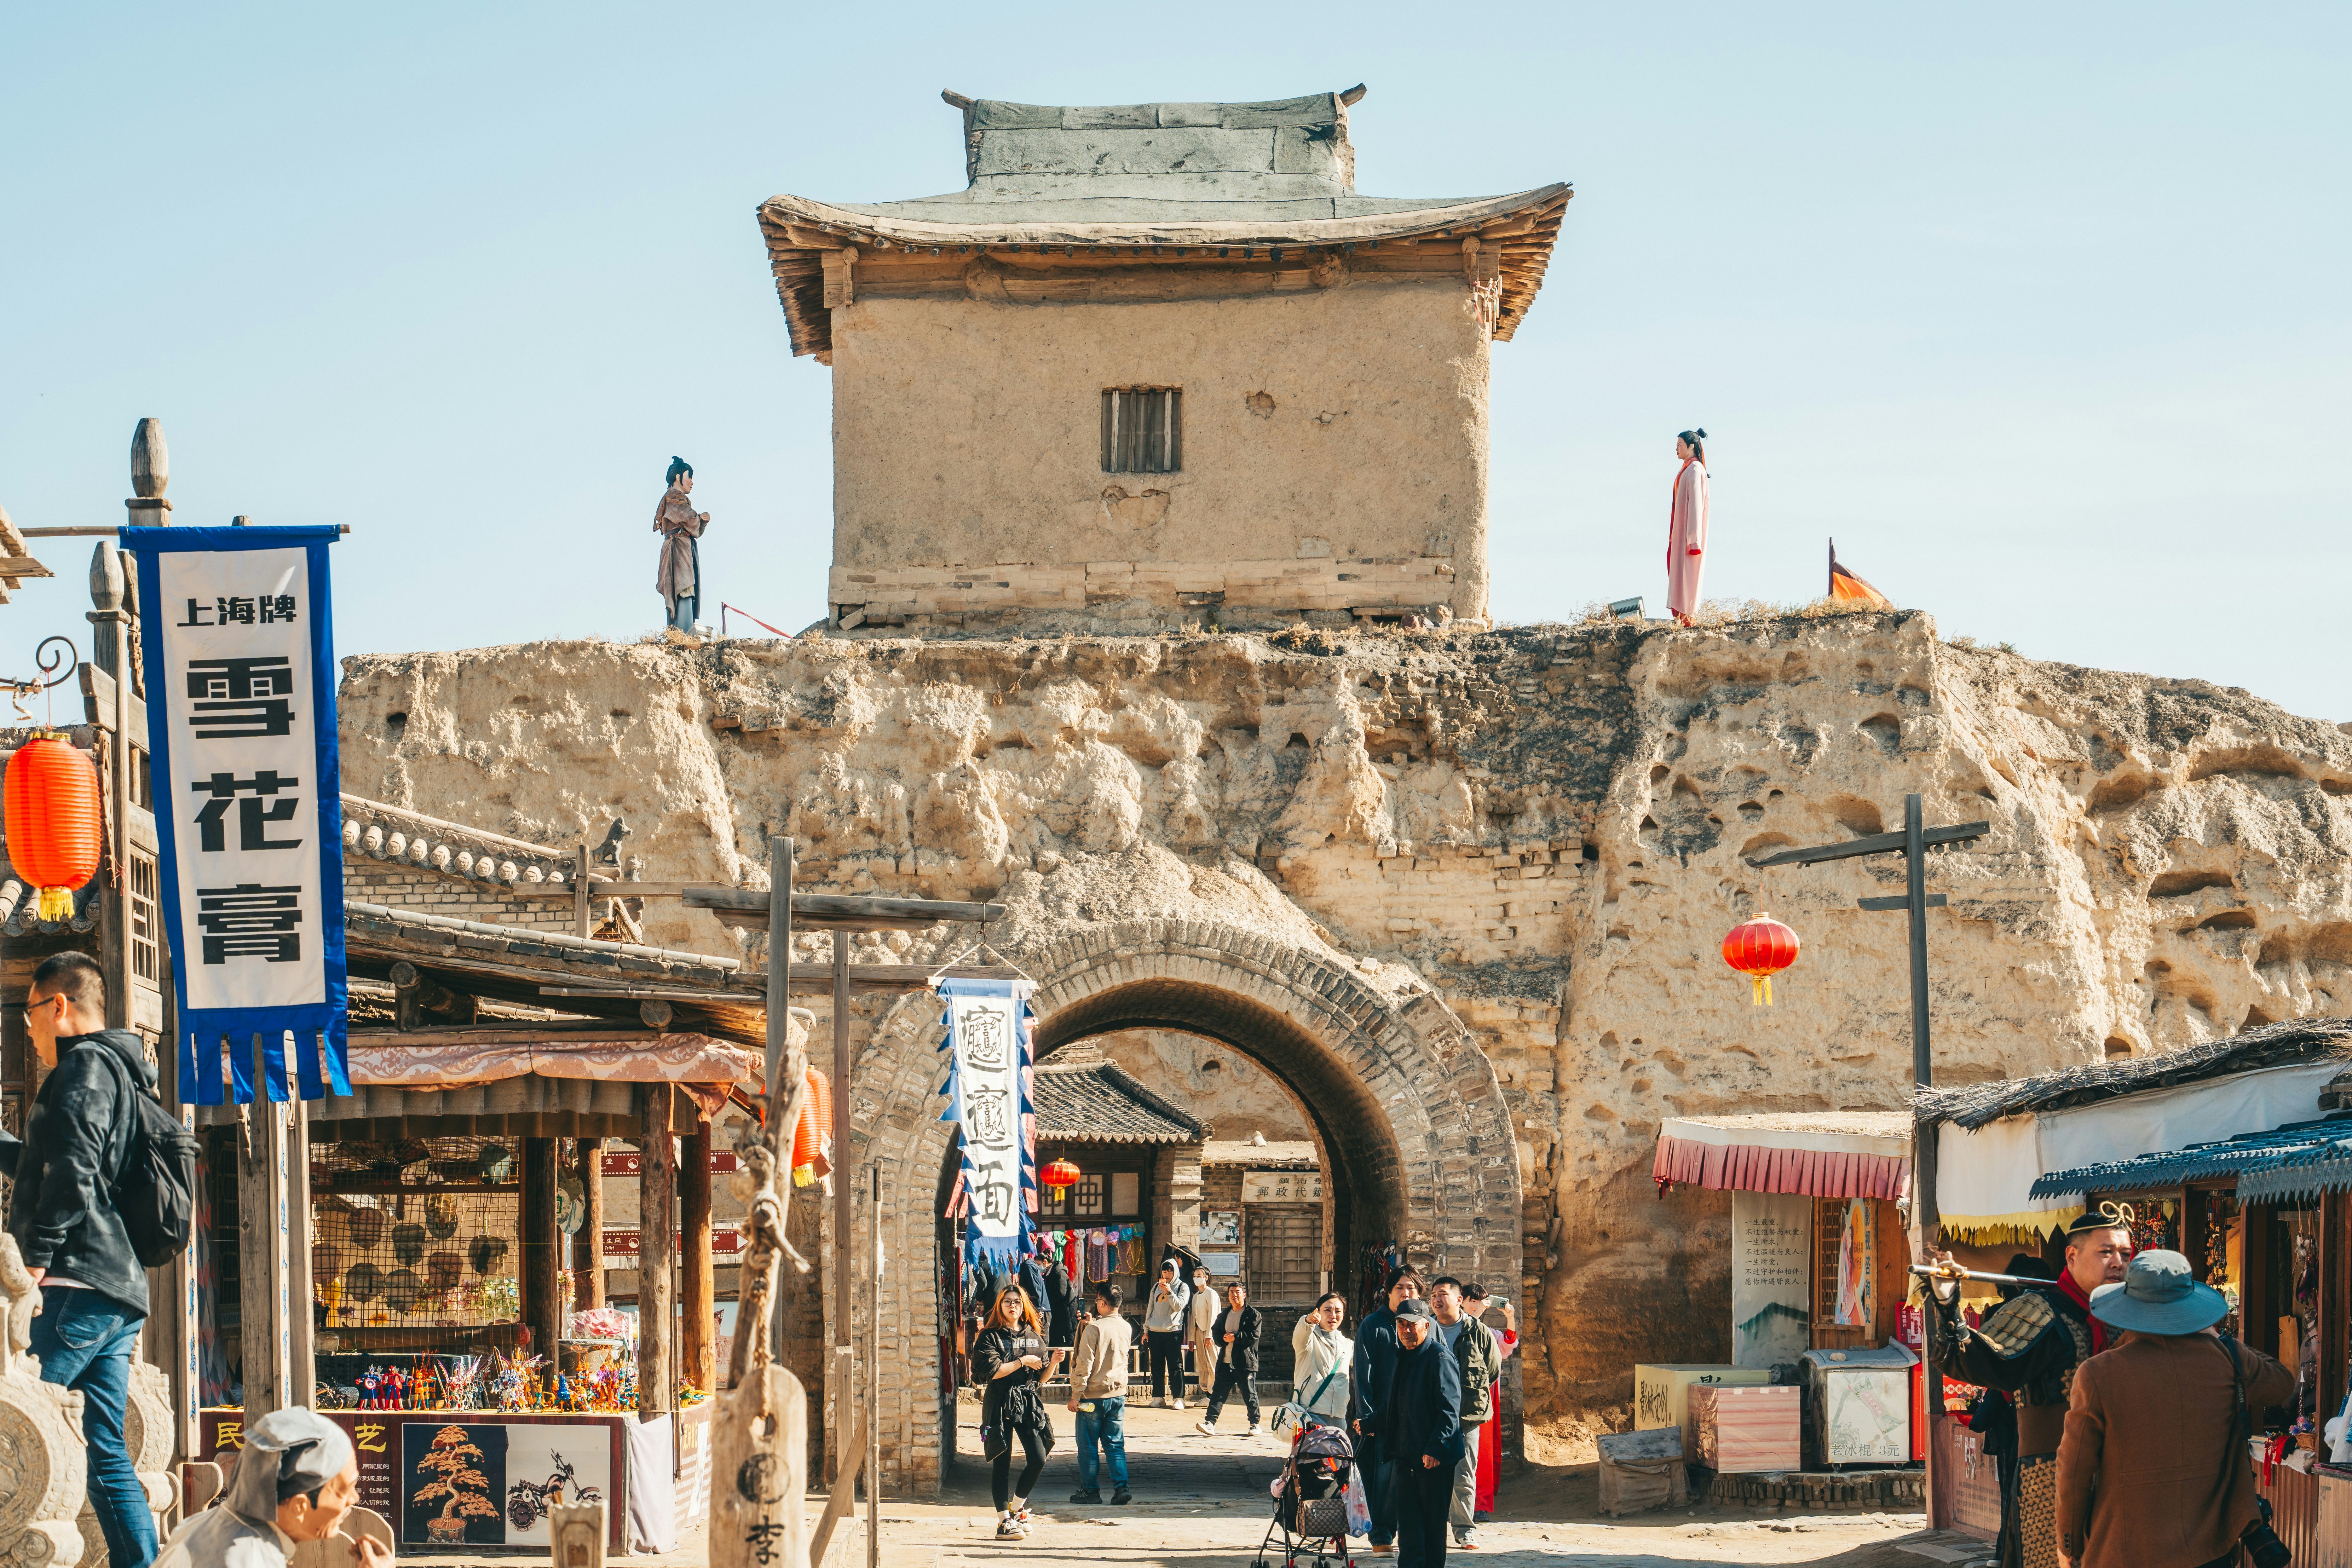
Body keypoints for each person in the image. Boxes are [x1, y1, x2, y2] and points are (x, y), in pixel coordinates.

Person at [0, 952, 164, 1568]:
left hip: (73, 1282)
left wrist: (35, 1261)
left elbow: (72, 1174)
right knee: (102, 1448)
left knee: (20, 1420)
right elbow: (68, 1164)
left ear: (59, 1006)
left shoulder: (83, 1068)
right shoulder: (120, 1071)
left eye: (31, 1013)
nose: (30, 1029)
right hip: (114, 1288)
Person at [2056, 1249, 2292, 1568]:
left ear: (2129, 1304)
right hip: (2211, 1552)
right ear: (2189, 1305)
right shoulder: (2223, 1359)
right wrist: (2221, 1339)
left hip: (2125, 1553)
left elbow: (2074, 1472)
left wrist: (2068, 1543)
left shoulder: (2098, 1373)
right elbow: (2281, 1383)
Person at [1927, 1213, 2134, 1568]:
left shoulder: (2127, 1318)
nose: (2118, 1262)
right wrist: (1949, 1306)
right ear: (2072, 1256)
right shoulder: (2041, 1311)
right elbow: (1982, 1360)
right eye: (2106, 1251)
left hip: (2119, 1476)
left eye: (2126, 1254)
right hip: (2049, 1475)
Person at [155, 1407, 390, 1568]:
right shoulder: (246, 1560)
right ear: (300, 1506)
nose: (354, 1498)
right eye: (346, 1489)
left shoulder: (211, 1525)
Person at [971, 1285, 1055, 1539]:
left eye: (1017, 1302)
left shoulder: (1033, 1336)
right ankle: (1003, 1522)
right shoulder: (989, 1336)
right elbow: (992, 1372)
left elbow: (1041, 1377)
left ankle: (1017, 1509)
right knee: (1002, 1462)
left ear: (1023, 1306)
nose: (1012, 1306)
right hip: (1000, 1400)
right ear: (1000, 1305)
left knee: (1039, 1457)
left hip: (1026, 1401)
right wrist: (1023, 1362)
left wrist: (1057, 1363)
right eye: (1007, 1302)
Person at [1387, 1298, 1464, 1568]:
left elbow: (1450, 1410)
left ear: (1426, 1326)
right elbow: (1399, 1403)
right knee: (1408, 1524)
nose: (1407, 1331)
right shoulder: (1403, 1357)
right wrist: (1371, 1423)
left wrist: (1436, 1448)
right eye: (1402, 1325)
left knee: (1432, 1526)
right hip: (1407, 1455)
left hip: (1434, 1458)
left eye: (1412, 1326)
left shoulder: (1439, 1358)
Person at [1351, 1270, 1424, 1555]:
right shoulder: (1374, 1326)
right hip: (1383, 1419)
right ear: (1388, 1291)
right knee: (1384, 1481)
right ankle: (1381, 1536)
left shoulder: (1426, 1327)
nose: (1405, 1293)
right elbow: (1363, 1375)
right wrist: (1367, 1418)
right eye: (1400, 1288)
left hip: (1416, 1419)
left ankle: (1410, 1535)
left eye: (1411, 1289)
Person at [1427, 1278, 1500, 1551]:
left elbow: (1492, 1371)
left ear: (1459, 1299)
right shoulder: (1426, 1330)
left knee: (1464, 1474)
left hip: (1467, 1417)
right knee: (1429, 1474)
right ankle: (1431, 1529)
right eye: (1433, 1295)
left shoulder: (1479, 1332)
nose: (1436, 1300)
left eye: (1442, 1294)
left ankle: (1464, 1530)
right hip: (1432, 1415)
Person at [1066, 1284, 1133, 1506]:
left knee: (1087, 1445)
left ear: (1103, 1303)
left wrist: (1076, 1394)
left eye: (1097, 1301)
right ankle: (1121, 1488)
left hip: (1091, 1398)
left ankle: (1091, 1490)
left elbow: (1084, 1363)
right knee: (1115, 1444)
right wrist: (1090, 1323)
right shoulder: (1126, 1327)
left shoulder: (1094, 1330)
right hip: (1117, 1395)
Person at [1461, 1286, 1517, 1521]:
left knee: (1482, 1452)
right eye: (1471, 1301)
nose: (1476, 1306)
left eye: (1481, 1302)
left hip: (1483, 1396)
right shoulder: (1450, 1328)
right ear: (1461, 1301)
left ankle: (1479, 1504)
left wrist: (1510, 1318)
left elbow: (1507, 1347)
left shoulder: (1489, 1333)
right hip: (1456, 1394)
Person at [1195, 1282, 1263, 1437]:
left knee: (1249, 1394)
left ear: (1244, 1295)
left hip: (1244, 1363)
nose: (1234, 1295)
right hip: (1226, 1362)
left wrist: (1236, 1337)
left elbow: (1254, 1335)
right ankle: (1210, 1423)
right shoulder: (1225, 1315)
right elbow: (1215, 1332)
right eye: (1231, 1292)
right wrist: (1222, 1339)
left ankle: (1255, 1424)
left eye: (1238, 1292)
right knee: (1218, 1393)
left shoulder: (1253, 1314)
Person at [653, 455, 708, 643]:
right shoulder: (674, 497)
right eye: (689, 476)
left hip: (682, 548)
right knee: (683, 588)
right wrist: (701, 519)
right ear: (679, 478)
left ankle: (684, 632)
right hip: (677, 550)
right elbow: (689, 519)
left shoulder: (676, 498)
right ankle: (682, 633)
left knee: (686, 587)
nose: (692, 482)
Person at [1665, 430, 1708, 626]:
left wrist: (1694, 540)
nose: (1676, 449)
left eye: (1680, 445)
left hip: (1689, 537)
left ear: (1691, 447)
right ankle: (1680, 619)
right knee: (1677, 573)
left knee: (1687, 576)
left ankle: (1687, 619)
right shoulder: (1686, 469)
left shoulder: (1695, 470)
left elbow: (1696, 507)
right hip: (1679, 533)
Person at [1291, 1291, 1354, 1426]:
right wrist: (1308, 1320)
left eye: (1338, 1311)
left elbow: (1367, 1360)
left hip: (1338, 1416)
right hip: (1310, 1414)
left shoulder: (1347, 1345)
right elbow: (1301, 1335)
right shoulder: (1308, 1339)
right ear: (1318, 1312)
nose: (1333, 1316)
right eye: (1328, 1310)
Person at [1142, 1260, 1190, 1408]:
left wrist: (1170, 1292)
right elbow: (1150, 1308)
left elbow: (1179, 1307)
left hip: (1173, 1331)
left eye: (1170, 1272)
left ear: (1175, 1272)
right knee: (1157, 1366)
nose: (1167, 1275)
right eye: (1165, 1272)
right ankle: (1158, 1397)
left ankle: (1178, 1398)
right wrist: (1146, 1330)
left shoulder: (1183, 1287)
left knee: (1175, 1366)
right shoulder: (1156, 1287)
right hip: (1155, 1331)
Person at [1185, 1262, 1220, 1409]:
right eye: (1195, 1276)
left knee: (1212, 1362)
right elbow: (1193, 1318)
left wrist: (1210, 1335)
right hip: (1199, 1332)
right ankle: (1207, 1393)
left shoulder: (1211, 1293)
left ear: (1206, 1278)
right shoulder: (1196, 1296)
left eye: (1199, 1276)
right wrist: (1192, 1338)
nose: (1197, 1278)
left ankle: (1215, 1394)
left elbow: (1214, 1315)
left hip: (1208, 1333)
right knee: (1203, 1363)